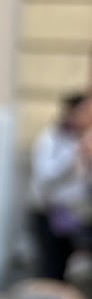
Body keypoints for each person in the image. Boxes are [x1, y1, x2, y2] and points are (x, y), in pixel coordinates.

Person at [29, 92, 92, 281]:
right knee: (53, 270)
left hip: (78, 215)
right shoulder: (51, 139)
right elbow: (45, 178)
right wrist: (75, 156)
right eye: (86, 110)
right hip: (50, 213)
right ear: (72, 112)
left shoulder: (85, 138)